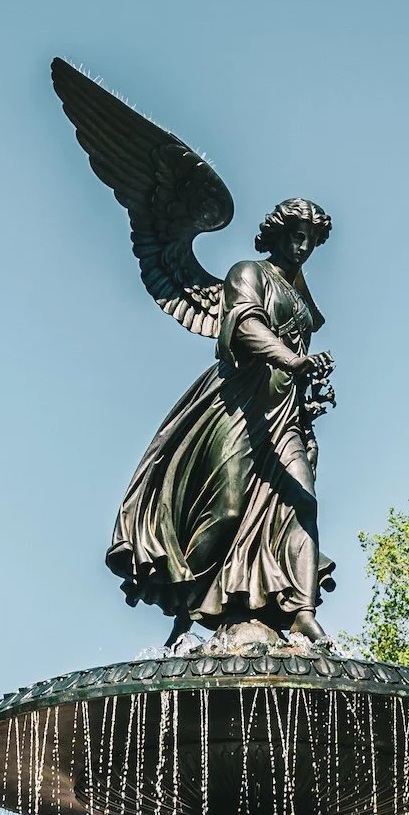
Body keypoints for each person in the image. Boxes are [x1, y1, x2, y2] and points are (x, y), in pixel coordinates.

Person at [108, 201, 336, 648]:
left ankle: (303, 612)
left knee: (302, 504)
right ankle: (186, 604)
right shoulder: (247, 272)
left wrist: (311, 396)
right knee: (226, 511)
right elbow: (245, 324)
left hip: (285, 416)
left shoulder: (302, 297)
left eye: (311, 238)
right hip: (237, 409)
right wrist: (293, 359)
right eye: (295, 234)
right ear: (277, 232)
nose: (302, 245)